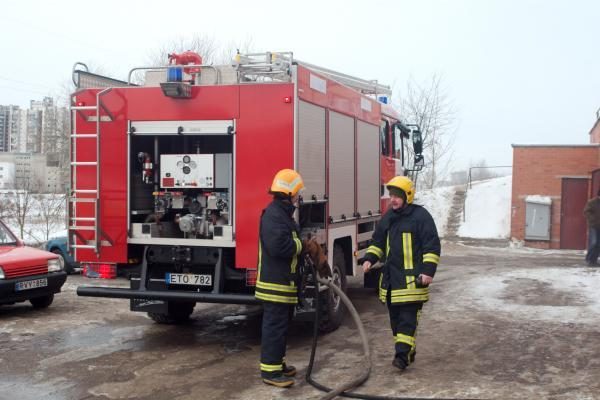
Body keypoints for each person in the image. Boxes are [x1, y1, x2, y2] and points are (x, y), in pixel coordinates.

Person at [362, 176, 441, 371]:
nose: (393, 200)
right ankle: (407, 348)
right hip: (391, 283)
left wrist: (428, 271)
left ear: (408, 196)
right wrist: (369, 258)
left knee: (407, 320)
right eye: (391, 196)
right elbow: (378, 241)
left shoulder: (421, 217)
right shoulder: (389, 217)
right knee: (396, 323)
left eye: (397, 196)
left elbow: (431, 246)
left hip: (412, 282)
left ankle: (401, 356)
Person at [255, 169, 305, 388]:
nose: (298, 197)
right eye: (297, 193)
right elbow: (279, 247)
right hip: (275, 283)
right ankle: (271, 372)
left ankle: (278, 363)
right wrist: (302, 246)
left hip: (283, 281)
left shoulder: (281, 213)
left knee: (281, 325)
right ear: (289, 193)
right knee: (275, 326)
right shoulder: (274, 215)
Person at [584, 189, 600, 266]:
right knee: (594, 242)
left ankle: (594, 260)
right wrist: (593, 219)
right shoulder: (592, 202)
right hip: (593, 226)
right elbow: (586, 211)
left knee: (598, 244)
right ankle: (589, 259)